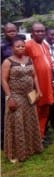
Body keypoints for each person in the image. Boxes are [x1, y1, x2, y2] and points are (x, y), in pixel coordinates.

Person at [2, 37, 43, 163]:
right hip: (16, 96)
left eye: (22, 46)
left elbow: (34, 76)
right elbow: (3, 80)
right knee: (18, 123)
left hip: (29, 95)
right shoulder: (8, 61)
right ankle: (17, 152)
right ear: (12, 48)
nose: (20, 48)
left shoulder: (29, 59)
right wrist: (9, 98)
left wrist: (38, 90)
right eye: (17, 46)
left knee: (30, 121)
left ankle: (32, 148)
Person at [25, 22, 54, 145]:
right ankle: (33, 139)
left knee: (45, 110)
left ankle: (41, 136)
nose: (40, 33)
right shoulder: (28, 46)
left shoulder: (45, 45)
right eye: (37, 31)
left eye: (42, 31)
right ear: (32, 33)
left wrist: (52, 82)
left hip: (47, 84)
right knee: (35, 111)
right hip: (35, 86)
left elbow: (48, 65)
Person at [1, 22, 18, 150]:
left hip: (18, 83)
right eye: (9, 31)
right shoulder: (1, 46)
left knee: (16, 109)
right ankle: (3, 139)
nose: (12, 33)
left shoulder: (18, 45)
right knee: (4, 110)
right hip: (5, 83)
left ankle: (15, 135)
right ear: (4, 32)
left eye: (14, 31)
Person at [44, 28, 54, 131]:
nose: (53, 37)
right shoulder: (43, 47)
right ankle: (47, 123)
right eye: (51, 35)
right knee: (48, 99)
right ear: (46, 34)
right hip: (48, 75)